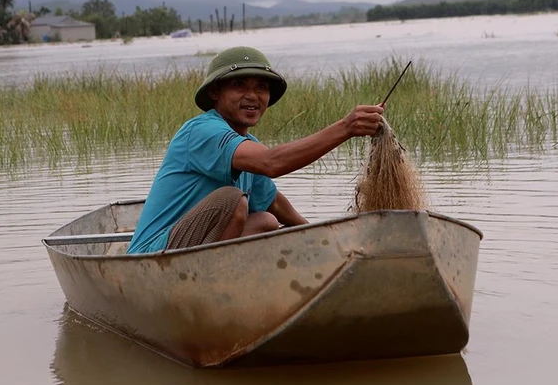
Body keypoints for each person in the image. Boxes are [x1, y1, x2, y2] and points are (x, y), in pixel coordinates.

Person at [126, 46, 384, 254]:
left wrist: (329, 242)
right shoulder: (201, 132)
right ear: (215, 92)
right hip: (154, 257)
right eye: (239, 85)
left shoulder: (249, 148)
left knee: (266, 221)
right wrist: (345, 128)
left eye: (261, 87)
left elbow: (273, 202)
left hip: (195, 251)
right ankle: (210, 282)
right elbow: (272, 162)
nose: (252, 96)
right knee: (233, 199)